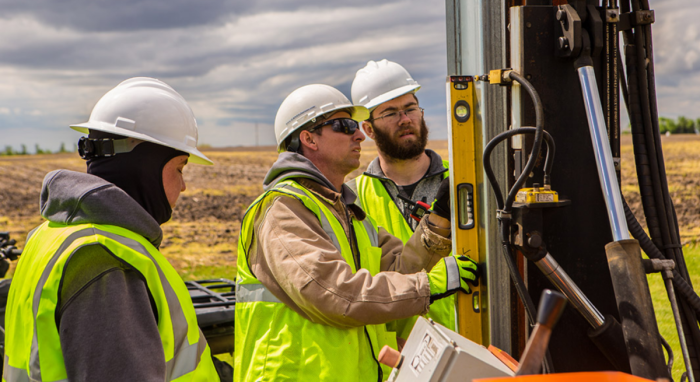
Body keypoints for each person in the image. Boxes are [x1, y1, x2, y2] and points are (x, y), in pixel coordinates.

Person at [234, 83, 479, 381]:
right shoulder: (284, 210)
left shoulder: (348, 212)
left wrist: (439, 218)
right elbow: (335, 293)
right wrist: (430, 286)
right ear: (309, 138)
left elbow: (401, 268)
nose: (359, 134)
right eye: (345, 125)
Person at [3, 77, 228, 381]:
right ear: (145, 167)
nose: (184, 186)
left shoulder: (50, 236)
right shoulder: (104, 260)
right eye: (180, 168)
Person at [347, 59, 457, 339]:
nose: (405, 119)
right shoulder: (352, 198)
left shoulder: (462, 182)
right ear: (368, 130)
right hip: (397, 357)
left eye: (410, 109)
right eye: (391, 113)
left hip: (471, 343)